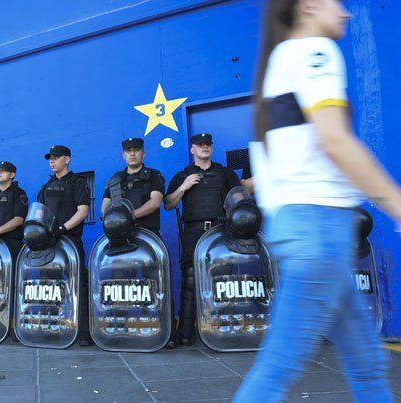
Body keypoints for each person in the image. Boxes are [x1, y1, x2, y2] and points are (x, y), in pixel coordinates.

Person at [234, 0, 399, 400]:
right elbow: (335, 139)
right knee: (278, 367)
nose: (345, 13)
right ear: (308, 6)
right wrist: (396, 203)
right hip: (319, 230)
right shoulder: (315, 52)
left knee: (366, 362)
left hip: (309, 229)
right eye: (336, 3)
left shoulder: (281, 60)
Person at [164, 133, 241, 346]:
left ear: (211, 148)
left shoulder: (225, 173)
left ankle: (227, 327)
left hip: (220, 231)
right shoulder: (183, 175)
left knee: (224, 278)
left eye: (207, 144)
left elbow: (239, 198)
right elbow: (168, 204)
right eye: (200, 145)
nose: (204, 147)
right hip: (194, 232)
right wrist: (184, 186)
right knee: (190, 280)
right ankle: (185, 332)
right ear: (193, 150)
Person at [101, 137, 174, 347]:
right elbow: (104, 208)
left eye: (136, 150)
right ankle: (120, 328)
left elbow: (155, 202)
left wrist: (130, 216)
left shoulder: (153, 175)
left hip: (148, 236)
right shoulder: (115, 179)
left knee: (156, 282)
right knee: (119, 285)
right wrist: (115, 219)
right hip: (120, 239)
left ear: (143, 153)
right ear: (123, 155)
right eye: (128, 150)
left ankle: (165, 331)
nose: (132, 153)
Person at [37, 145, 91, 346]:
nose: (52, 161)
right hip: (49, 242)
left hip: (70, 240)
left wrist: (63, 228)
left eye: (56, 158)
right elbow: (39, 212)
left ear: (67, 159)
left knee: (77, 284)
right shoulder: (46, 186)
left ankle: (84, 333)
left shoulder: (77, 182)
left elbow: (83, 211)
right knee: (49, 285)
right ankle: (52, 327)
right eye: (50, 158)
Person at [0, 161, 28, 262]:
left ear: (12, 175)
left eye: (3, 171)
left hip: (11, 244)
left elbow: (18, 220)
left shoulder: (18, 193)